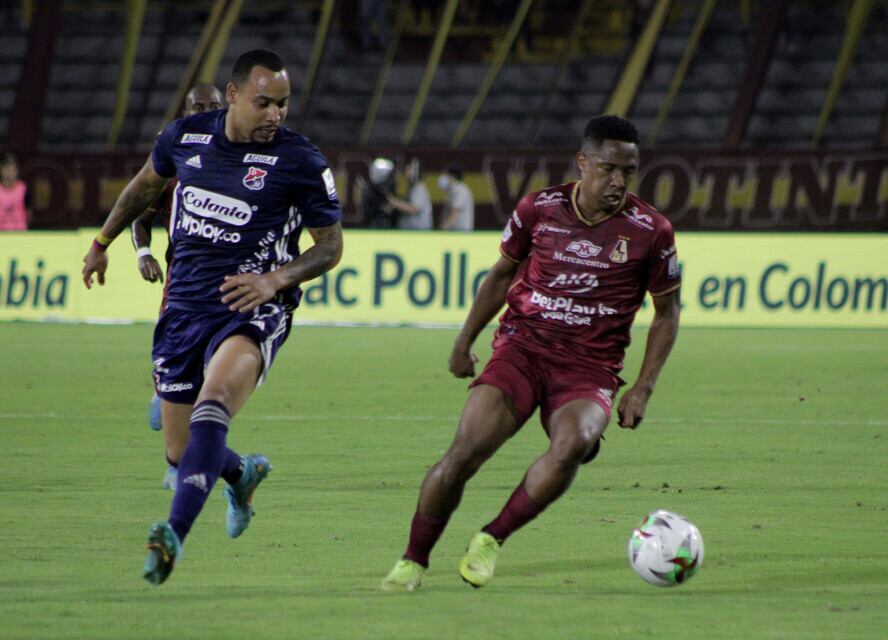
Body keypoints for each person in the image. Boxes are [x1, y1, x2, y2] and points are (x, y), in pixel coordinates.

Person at [381, 115, 681, 592]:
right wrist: (464, 341)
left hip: (589, 368)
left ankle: (491, 538)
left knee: (575, 444)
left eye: (629, 171)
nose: (619, 181)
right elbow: (502, 274)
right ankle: (413, 561)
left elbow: (667, 312)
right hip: (521, 351)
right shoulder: (540, 209)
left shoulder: (651, 231)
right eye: (608, 168)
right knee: (463, 455)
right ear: (583, 163)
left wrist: (643, 388)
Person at [82, 49, 344, 586]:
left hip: (250, 306)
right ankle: (240, 474)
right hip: (183, 308)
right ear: (233, 95)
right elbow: (143, 188)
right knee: (180, 450)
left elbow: (330, 246)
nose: (275, 114)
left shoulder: (301, 160)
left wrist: (274, 280)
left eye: (283, 104)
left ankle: (173, 533)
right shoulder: (185, 137)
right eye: (264, 102)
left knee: (215, 401)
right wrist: (102, 243)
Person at [131, 83, 225, 491]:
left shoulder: (238, 159)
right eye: (197, 106)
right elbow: (139, 216)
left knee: (215, 372)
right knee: (179, 363)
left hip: (229, 280)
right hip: (183, 280)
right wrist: (143, 253)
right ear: (185, 112)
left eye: (213, 106)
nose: (205, 112)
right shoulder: (175, 162)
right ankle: (176, 456)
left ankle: (185, 452)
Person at [388, 158, 433, 230]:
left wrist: (393, 201)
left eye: (409, 168)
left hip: (418, 233)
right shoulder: (413, 187)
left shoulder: (419, 188)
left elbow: (414, 208)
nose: (406, 170)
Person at [0, 153, 30, 231]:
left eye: (12, 170)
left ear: (16, 171)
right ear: (1, 170)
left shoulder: (23, 189)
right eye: (7, 170)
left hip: (19, 232)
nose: (9, 173)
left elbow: (29, 212)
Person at [438, 166, 474, 231]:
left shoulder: (460, 190)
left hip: (461, 233)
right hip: (454, 232)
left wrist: (444, 227)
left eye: (446, 175)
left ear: (452, 176)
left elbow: (455, 212)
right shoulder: (452, 191)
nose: (443, 177)